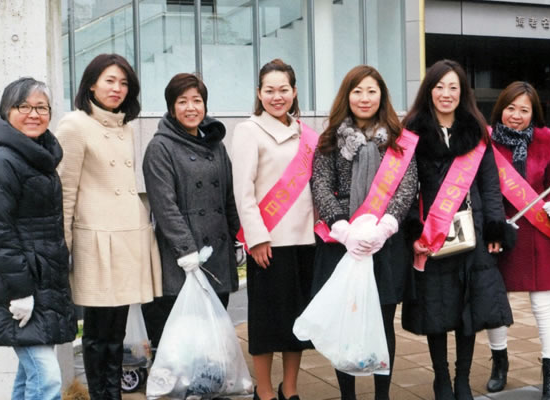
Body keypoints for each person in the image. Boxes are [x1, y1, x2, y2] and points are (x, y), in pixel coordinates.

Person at [401, 59, 513, 400]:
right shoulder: (412, 132)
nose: (446, 94)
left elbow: (490, 185)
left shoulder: (476, 132)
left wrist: (495, 229)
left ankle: (462, 379)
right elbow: (404, 187)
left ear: (463, 92)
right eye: (439, 87)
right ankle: (441, 380)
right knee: (437, 308)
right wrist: (414, 230)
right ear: (429, 91)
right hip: (432, 235)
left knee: (469, 308)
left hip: (472, 233)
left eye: (453, 87)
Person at [56, 53, 162, 399]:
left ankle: (112, 394)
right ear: (91, 84)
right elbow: (65, 192)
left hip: (128, 238)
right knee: (97, 333)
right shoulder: (74, 125)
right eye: (109, 81)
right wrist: (63, 247)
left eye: (123, 83)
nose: (117, 88)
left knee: (117, 332)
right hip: (96, 242)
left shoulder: (125, 128)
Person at [310, 65, 418, 400]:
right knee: (347, 324)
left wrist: (385, 228)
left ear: (382, 96)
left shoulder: (399, 140)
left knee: (383, 322)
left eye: (372, 91)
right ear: (347, 96)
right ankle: (348, 396)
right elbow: (321, 185)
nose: (365, 98)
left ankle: (382, 394)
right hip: (342, 245)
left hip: (385, 245)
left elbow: (407, 187)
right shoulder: (329, 140)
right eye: (357, 91)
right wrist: (343, 229)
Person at [0, 77, 77, 400]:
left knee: (31, 375)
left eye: (41, 107)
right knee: (46, 377)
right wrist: (20, 292)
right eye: (24, 106)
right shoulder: (2, 162)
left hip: (42, 285)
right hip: (18, 289)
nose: (34, 114)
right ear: (7, 111)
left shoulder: (39, 156)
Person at [232, 59, 315, 400]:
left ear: (294, 92)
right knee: (266, 324)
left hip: (305, 242)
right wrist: (256, 238)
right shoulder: (248, 131)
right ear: (259, 93)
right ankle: (264, 391)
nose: (277, 97)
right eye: (270, 90)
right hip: (268, 244)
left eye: (284, 90)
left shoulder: (306, 134)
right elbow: (243, 190)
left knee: (298, 323)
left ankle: (289, 389)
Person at [142, 73, 240, 349]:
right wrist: (186, 250)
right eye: (182, 101)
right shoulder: (160, 147)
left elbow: (228, 196)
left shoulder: (215, 144)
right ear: (171, 107)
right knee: (180, 340)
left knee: (214, 335)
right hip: (181, 257)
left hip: (216, 253)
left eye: (197, 101)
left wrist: (237, 238)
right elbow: (164, 205)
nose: (191, 108)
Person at [485, 81, 550, 400]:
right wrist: (492, 222)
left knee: (544, 305)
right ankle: (499, 362)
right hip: (498, 231)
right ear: (500, 109)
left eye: (524, 110)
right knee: (495, 301)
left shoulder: (547, 141)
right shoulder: (485, 141)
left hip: (538, 231)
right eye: (510, 108)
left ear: (534, 114)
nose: (516, 115)